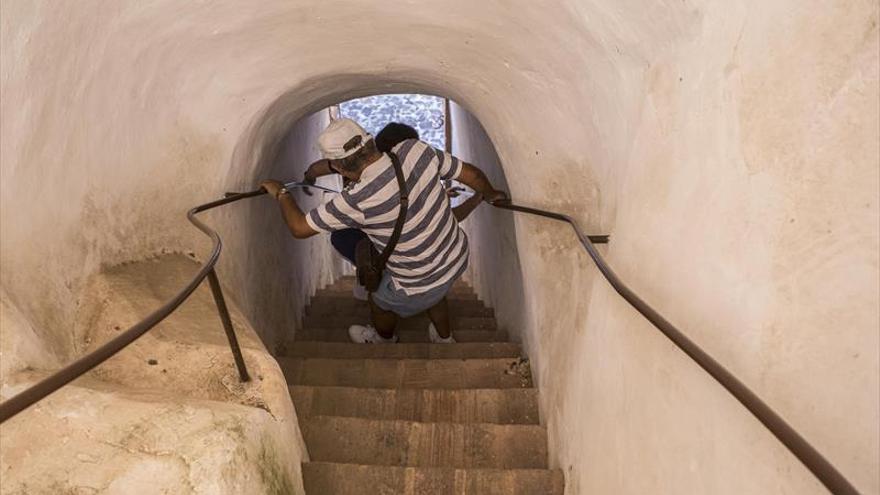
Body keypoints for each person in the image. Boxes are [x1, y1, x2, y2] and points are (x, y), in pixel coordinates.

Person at [260, 118, 506, 344]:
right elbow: (471, 174)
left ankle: (383, 338)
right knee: (434, 287)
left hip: (417, 280)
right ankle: (444, 337)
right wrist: (491, 193)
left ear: (339, 167)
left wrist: (281, 192)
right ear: (369, 139)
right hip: (454, 258)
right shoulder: (415, 150)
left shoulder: (354, 200)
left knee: (378, 300)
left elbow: (299, 227)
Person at [302, 122, 483, 300]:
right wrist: (475, 200)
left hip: (384, 245)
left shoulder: (358, 163)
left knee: (341, 237)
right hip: (424, 264)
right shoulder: (414, 163)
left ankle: (369, 271)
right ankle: (375, 273)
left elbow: (321, 167)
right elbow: (450, 217)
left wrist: (308, 177)